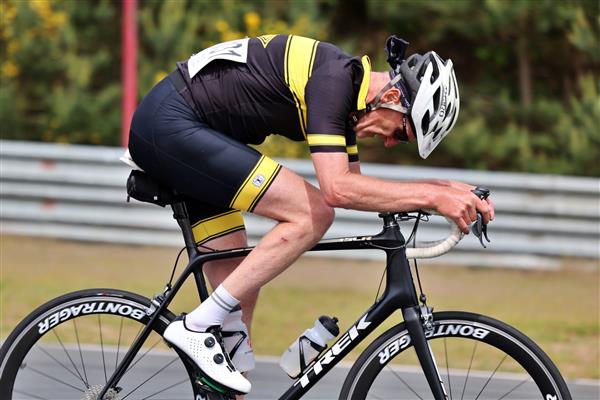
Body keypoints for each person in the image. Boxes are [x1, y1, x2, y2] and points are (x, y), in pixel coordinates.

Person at [124, 34, 494, 395]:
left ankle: (211, 347)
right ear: (393, 98)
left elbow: (360, 189)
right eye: (402, 133)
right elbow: (337, 190)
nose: (389, 142)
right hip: (172, 127)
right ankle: (195, 327)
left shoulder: (348, 100)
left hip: (194, 135)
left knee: (239, 297)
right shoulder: (333, 81)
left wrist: (450, 190)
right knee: (313, 213)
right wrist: (434, 196)